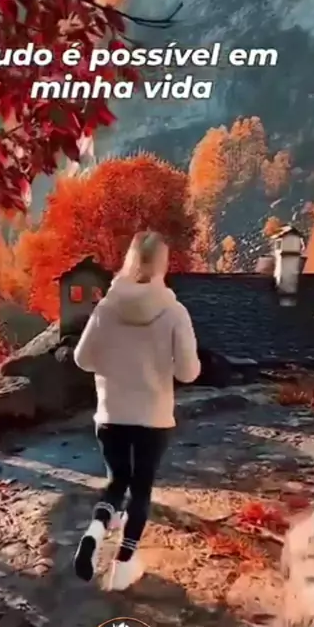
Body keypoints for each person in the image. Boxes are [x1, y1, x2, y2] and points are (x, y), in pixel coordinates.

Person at [73, 231, 201, 591]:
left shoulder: (105, 308)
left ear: (129, 260)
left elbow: (82, 359)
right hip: (153, 418)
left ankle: (95, 532)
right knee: (141, 490)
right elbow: (188, 372)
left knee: (116, 483)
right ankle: (123, 565)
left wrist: (112, 362)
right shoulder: (174, 312)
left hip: (111, 415)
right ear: (163, 264)